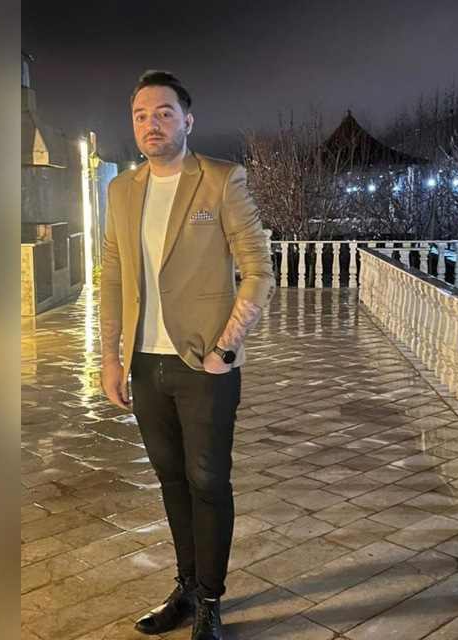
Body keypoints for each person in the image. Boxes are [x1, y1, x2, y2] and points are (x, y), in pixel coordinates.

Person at [99, 70, 275, 640]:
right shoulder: (121, 190)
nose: (152, 123)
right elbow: (113, 273)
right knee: (171, 479)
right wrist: (110, 357)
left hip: (204, 364)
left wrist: (227, 347)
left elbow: (259, 270)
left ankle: (211, 601)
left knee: (208, 481)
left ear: (187, 120)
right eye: (141, 115)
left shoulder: (220, 180)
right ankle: (187, 587)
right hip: (145, 364)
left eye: (164, 112)